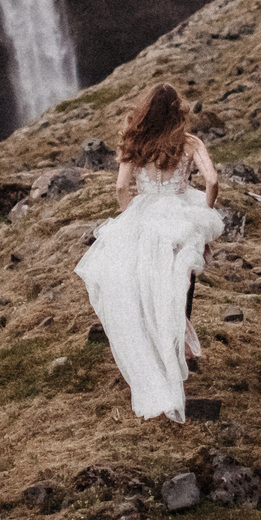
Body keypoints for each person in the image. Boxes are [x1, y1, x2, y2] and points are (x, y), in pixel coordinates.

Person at [74, 82, 222, 422]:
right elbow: (212, 181)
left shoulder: (134, 142)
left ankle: (156, 347)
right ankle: (179, 347)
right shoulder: (189, 143)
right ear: (178, 111)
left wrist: (129, 217)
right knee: (182, 276)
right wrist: (206, 214)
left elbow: (121, 186)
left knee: (143, 282)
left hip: (143, 216)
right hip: (182, 215)